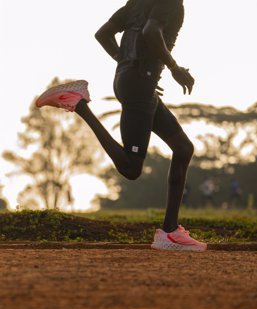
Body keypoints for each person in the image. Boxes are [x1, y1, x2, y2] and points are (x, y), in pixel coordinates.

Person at [36, 0, 207, 251]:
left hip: (134, 80)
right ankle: (80, 104)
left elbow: (103, 33)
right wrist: (173, 67)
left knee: (183, 148)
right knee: (131, 167)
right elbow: (150, 32)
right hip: (138, 82)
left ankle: (169, 232)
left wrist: (127, 62)